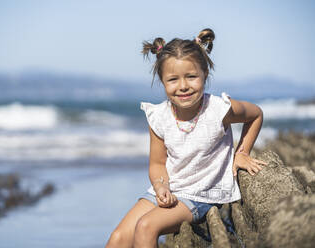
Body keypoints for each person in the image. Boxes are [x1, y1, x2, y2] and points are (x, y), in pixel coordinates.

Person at [105, 28, 268, 248]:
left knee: (146, 227)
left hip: (202, 193)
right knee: (118, 239)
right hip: (169, 189)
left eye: (191, 77)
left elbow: (256, 114)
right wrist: (161, 186)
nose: (183, 86)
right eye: (173, 79)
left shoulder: (219, 110)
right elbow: (157, 163)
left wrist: (241, 153)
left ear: (205, 75)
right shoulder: (159, 117)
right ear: (162, 81)